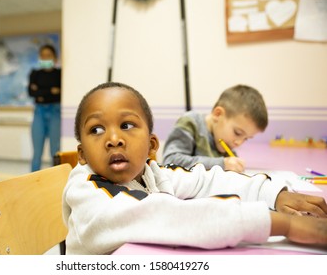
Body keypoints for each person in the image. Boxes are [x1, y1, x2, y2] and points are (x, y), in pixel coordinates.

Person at [62, 82, 327, 255]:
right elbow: (169, 215)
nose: (113, 139)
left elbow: (205, 180)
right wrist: (287, 225)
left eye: (127, 125)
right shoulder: (88, 192)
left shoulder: (150, 173)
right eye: (96, 129)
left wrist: (274, 195)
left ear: (152, 146)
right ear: (82, 154)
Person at [162, 84, 268, 173]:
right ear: (218, 114)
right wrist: (222, 164)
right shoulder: (190, 122)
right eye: (238, 133)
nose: (239, 143)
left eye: (246, 138)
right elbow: (170, 161)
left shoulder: (227, 143)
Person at [28, 44, 61, 172]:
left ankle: (57, 181)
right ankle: (33, 182)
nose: (45, 58)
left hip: (55, 112)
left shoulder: (60, 74)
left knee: (55, 152)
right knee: (37, 153)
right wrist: (51, 91)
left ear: (55, 58)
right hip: (39, 112)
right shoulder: (35, 74)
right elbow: (31, 93)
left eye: (48, 56)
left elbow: (58, 93)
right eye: (42, 56)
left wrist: (40, 91)